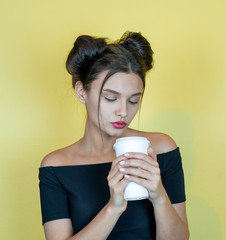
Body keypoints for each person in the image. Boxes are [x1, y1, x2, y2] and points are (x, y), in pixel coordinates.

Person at [38, 31, 189, 240]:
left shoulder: (161, 149)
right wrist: (113, 208)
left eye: (134, 100)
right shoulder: (56, 166)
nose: (123, 111)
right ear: (82, 92)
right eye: (110, 98)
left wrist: (159, 195)